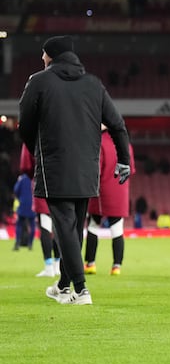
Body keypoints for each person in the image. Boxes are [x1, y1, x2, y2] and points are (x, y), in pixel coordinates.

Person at [18, 35, 131, 306]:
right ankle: (63, 285)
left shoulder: (39, 81)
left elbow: (24, 123)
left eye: (44, 55)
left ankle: (80, 290)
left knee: (65, 228)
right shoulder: (94, 85)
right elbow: (117, 125)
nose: (42, 59)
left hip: (55, 166)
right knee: (75, 228)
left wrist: (38, 146)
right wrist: (123, 159)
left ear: (52, 56)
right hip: (87, 167)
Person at [84, 125, 136, 276]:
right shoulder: (125, 143)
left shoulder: (98, 141)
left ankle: (90, 263)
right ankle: (116, 266)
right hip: (120, 191)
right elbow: (131, 169)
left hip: (102, 191)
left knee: (93, 225)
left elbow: (96, 169)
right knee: (117, 229)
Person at [20, 144, 61, 277]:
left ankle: (49, 267)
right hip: (62, 186)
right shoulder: (61, 131)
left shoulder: (32, 135)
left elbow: (26, 166)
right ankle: (57, 265)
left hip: (42, 185)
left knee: (46, 227)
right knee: (59, 228)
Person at [13, 169, 36, 251]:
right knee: (32, 225)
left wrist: (20, 197)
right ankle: (30, 244)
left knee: (19, 224)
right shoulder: (35, 179)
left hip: (22, 205)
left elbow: (15, 190)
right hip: (33, 205)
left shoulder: (22, 178)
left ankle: (17, 243)